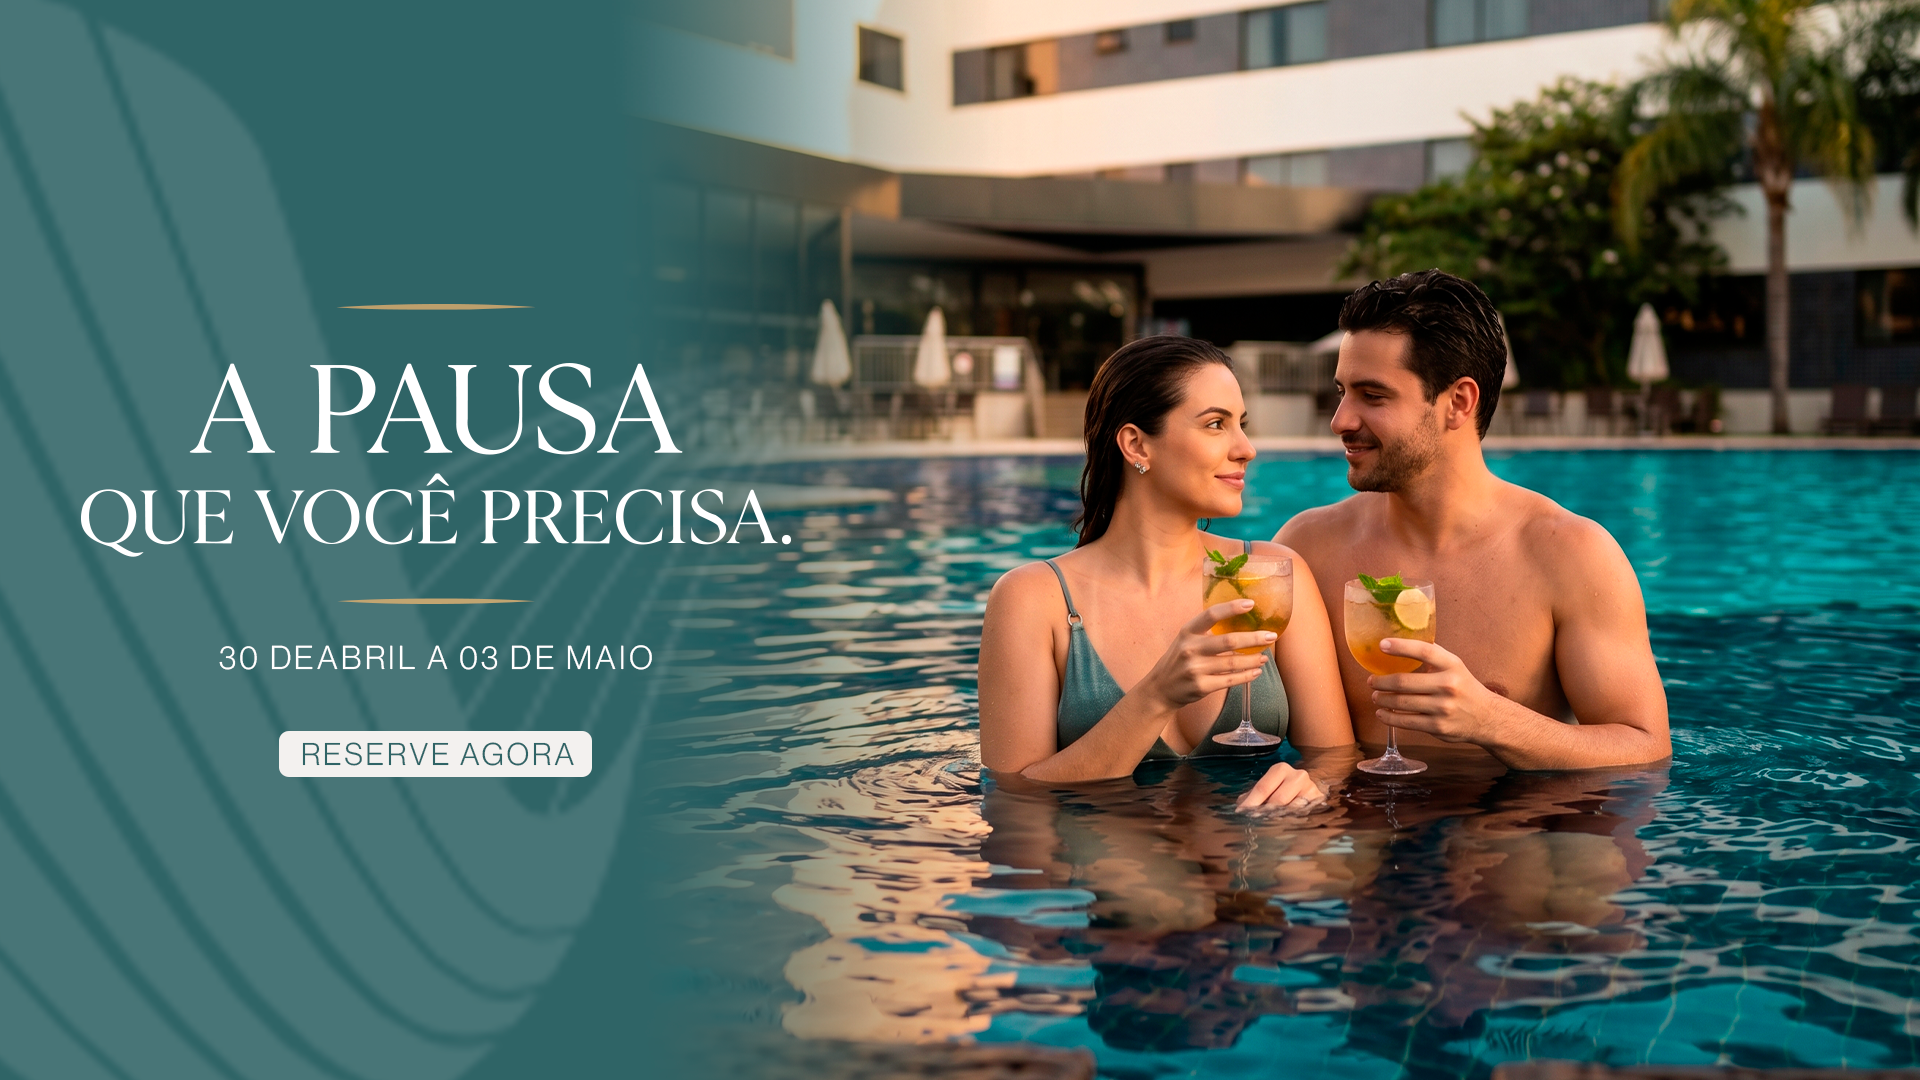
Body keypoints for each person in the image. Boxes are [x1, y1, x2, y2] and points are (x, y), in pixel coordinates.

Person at [1276, 270, 1672, 770]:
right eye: (1342, 392)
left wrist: (1490, 721)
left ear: (1458, 402)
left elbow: (1647, 746)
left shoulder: (1570, 555)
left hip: (1509, 829)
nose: (1341, 421)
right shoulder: (1310, 547)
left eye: (1372, 396)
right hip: (1360, 826)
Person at [978, 336, 1352, 808]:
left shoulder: (1273, 574)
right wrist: (1157, 696)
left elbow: (1336, 760)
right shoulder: (1033, 600)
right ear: (1136, 444)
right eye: (1216, 424)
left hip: (1253, 867)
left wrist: (1314, 784)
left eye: (1242, 424)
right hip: (1110, 862)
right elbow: (1015, 806)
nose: (1246, 448)